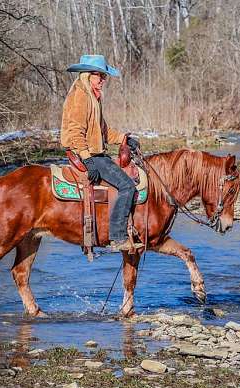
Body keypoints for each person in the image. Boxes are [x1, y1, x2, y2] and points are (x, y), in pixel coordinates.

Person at [61, 54, 142, 252]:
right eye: (100, 76)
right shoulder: (80, 95)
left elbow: (103, 131)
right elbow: (75, 131)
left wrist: (124, 139)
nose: (103, 80)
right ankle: (117, 237)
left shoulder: (93, 97)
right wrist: (87, 159)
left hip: (94, 152)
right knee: (127, 186)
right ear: (88, 75)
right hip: (87, 153)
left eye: (104, 77)